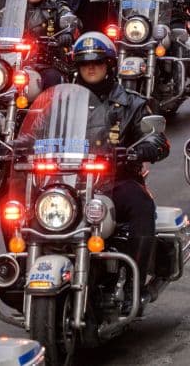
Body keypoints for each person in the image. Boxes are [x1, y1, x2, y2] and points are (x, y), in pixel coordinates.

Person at [71, 32, 169, 296]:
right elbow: (37, 131)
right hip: (69, 182)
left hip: (115, 181)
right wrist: (21, 145)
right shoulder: (64, 101)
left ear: (110, 65)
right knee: (18, 211)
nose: (91, 68)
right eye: (84, 63)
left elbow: (158, 141)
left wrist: (134, 153)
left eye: (97, 62)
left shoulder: (132, 103)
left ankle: (133, 285)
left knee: (141, 204)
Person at [17, 0, 78, 88]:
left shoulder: (57, 7)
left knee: (52, 80)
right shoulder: (14, 8)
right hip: (16, 61)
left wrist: (67, 33)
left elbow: (72, 20)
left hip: (47, 63)